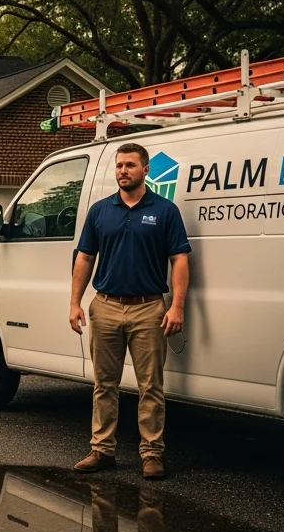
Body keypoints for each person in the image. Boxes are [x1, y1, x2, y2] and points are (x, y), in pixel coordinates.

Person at [68, 142, 191, 480]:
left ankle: (152, 455)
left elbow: (179, 259)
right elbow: (85, 258)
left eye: (130, 165)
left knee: (150, 386)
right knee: (103, 385)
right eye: (119, 166)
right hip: (105, 307)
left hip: (148, 308)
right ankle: (102, 450)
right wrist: (75, 302)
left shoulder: (164, 211)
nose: (123, 171)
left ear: (146, 170)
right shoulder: (100, 211)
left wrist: (177, 306)